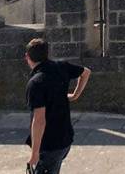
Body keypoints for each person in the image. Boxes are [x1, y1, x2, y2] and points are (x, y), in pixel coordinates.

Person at [24, 38, 91, 174]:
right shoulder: (61, 67)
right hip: (65, 139)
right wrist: (75, 95)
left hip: (50, 146)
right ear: (46, 54)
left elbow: (39, 120)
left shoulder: (35, 83)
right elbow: (86, 72)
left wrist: (35, 153)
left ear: (27, 57)